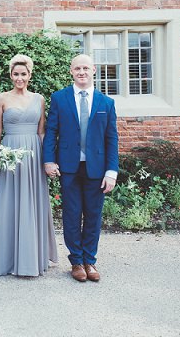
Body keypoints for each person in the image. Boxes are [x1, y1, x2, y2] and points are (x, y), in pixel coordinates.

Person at [43, 53, 118, 283]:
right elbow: (51, 132)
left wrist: (111, 172)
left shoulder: (106, 102)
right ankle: (76, 261)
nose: (82, 72)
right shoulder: (59, 98)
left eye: (86, 68)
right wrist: (48, 160)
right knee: (72, 215)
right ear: (71, 72)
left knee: (94, 216)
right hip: (69, 167)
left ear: (93, 70)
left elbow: (111, 139)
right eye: (77, 68)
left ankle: (90, 260)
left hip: (96, 168)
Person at [0, 55, 58, 277]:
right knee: (9, 202)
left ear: (29, 75)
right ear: (11, 76)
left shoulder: (39, 99)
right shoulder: (1, 98)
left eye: (23, 74)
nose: (19, 78)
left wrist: (47, 158)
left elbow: (42, 132)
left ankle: (32, 259)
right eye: (15, 74)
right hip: (9, 154)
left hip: (33, 155)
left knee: (33, 202)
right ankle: (6, 259)